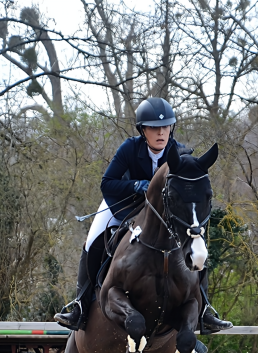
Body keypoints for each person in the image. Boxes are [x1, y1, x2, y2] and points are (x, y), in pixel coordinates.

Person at [54, 97, 232, 335]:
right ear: (143, 130)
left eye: (165, 127)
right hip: (124, 206)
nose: (161, 133)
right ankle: (80, 305)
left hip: (160, 215)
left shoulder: (178, 152)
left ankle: (205, 310)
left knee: (196, 244)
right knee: (92, 240)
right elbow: (107, 183)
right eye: (154, 128)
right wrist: (135, 185)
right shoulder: (129, 148)